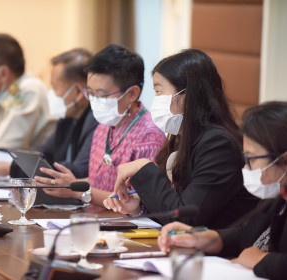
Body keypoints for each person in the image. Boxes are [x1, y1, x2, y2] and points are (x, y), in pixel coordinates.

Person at [103, 49, 259, 228]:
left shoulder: (218, 144)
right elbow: (174, 204)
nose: (156, 100)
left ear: (187, 95)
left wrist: (142, 167)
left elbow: (184, 217)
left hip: (222, 252)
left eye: (160, 92)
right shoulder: (181, 138)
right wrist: (138, 206)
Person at [158, 101, 287, 280]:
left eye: (252, 159)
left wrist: (261, 259)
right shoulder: (278, 195)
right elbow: (245, 233)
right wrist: (205, 238)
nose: (247, 168)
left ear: (284, 160)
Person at [34, 44, 166, 207]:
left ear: (132, 93)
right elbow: (100, 180)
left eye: (102, 95)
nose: (94, 101)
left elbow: (138, 202)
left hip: (127, 227)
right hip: (96, 218)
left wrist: (77, 190)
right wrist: (68, 183)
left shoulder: (149, 136)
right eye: (90, 93)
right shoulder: (104, 125)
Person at [0, 48, 98, 181]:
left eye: (54, 87)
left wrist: (9, 167)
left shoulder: (95, 120)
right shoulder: (68, 119)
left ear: (77, 92)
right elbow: (43, 153)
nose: (51, 94)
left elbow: (77, 171)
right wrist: (0, 154)